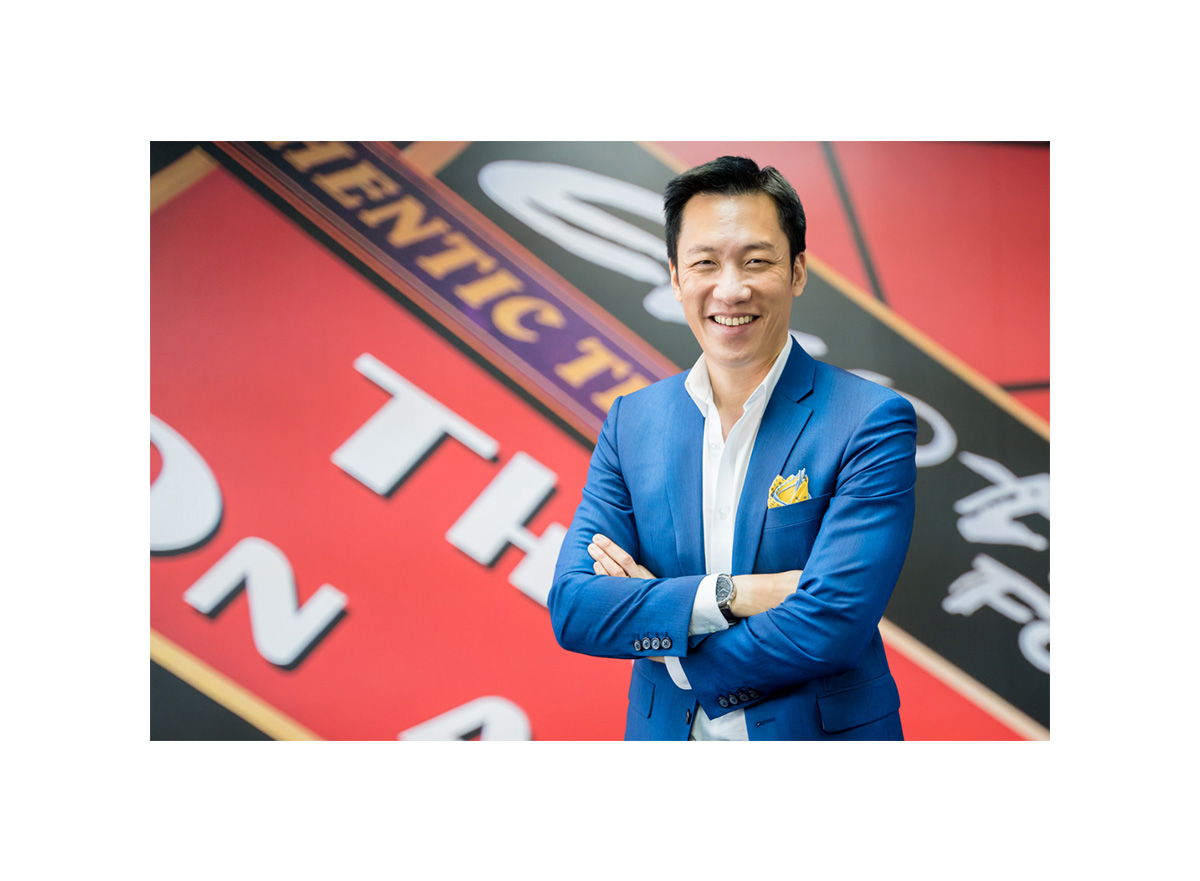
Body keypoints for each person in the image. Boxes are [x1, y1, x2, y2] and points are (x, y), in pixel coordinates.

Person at [547, 156, 917, 740]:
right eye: (705, 263)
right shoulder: (632, 422)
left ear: (797, 271)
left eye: (756, 261)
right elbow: (576, 608)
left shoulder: (868, 419)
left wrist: (672, 641)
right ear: (676, 277)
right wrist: (731, 595)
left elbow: (833, 623)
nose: (731, 289)